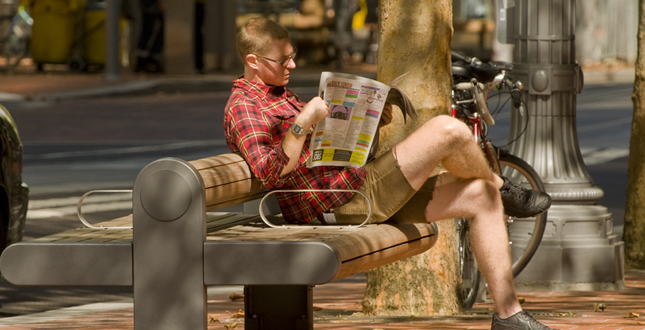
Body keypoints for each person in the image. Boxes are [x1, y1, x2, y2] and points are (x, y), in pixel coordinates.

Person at [224, 17, 556, 330]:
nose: (292, 65)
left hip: (357, 187)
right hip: (337, 206)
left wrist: (368, 125)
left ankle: (509, 317)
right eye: (283, 61)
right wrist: (303, 122)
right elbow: (270, 173)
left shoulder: (282, 96)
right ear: (253, 61)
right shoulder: (243, 107)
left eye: (292, 56)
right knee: (447, 130)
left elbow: (331, 154)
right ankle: (503, 186)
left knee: (482, 198)